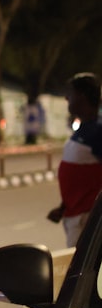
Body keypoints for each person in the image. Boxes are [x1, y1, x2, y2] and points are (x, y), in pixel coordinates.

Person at [47, 72, 102, 247]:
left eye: (70, 93)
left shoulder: (97, 132)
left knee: (79, 272)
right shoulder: (83, 130)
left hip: (87, 219)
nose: (66, 98)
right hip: (76, 216)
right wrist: (64, 207)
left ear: (82, 96)